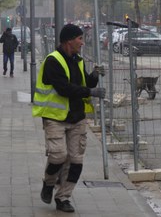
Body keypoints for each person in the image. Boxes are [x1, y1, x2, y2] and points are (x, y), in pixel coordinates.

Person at [32, 24, 106, 212]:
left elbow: (85, 82)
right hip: (55, 117)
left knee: (75, 160)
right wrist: (90, 91)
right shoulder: (53, 61)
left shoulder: (77, 60)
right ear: (68, 41)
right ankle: (48, 184)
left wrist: (95, 75)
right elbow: (64, 88)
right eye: (79, 39)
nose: (82, 42)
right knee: (58, 156)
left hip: (77, 118)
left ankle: (63, 197)